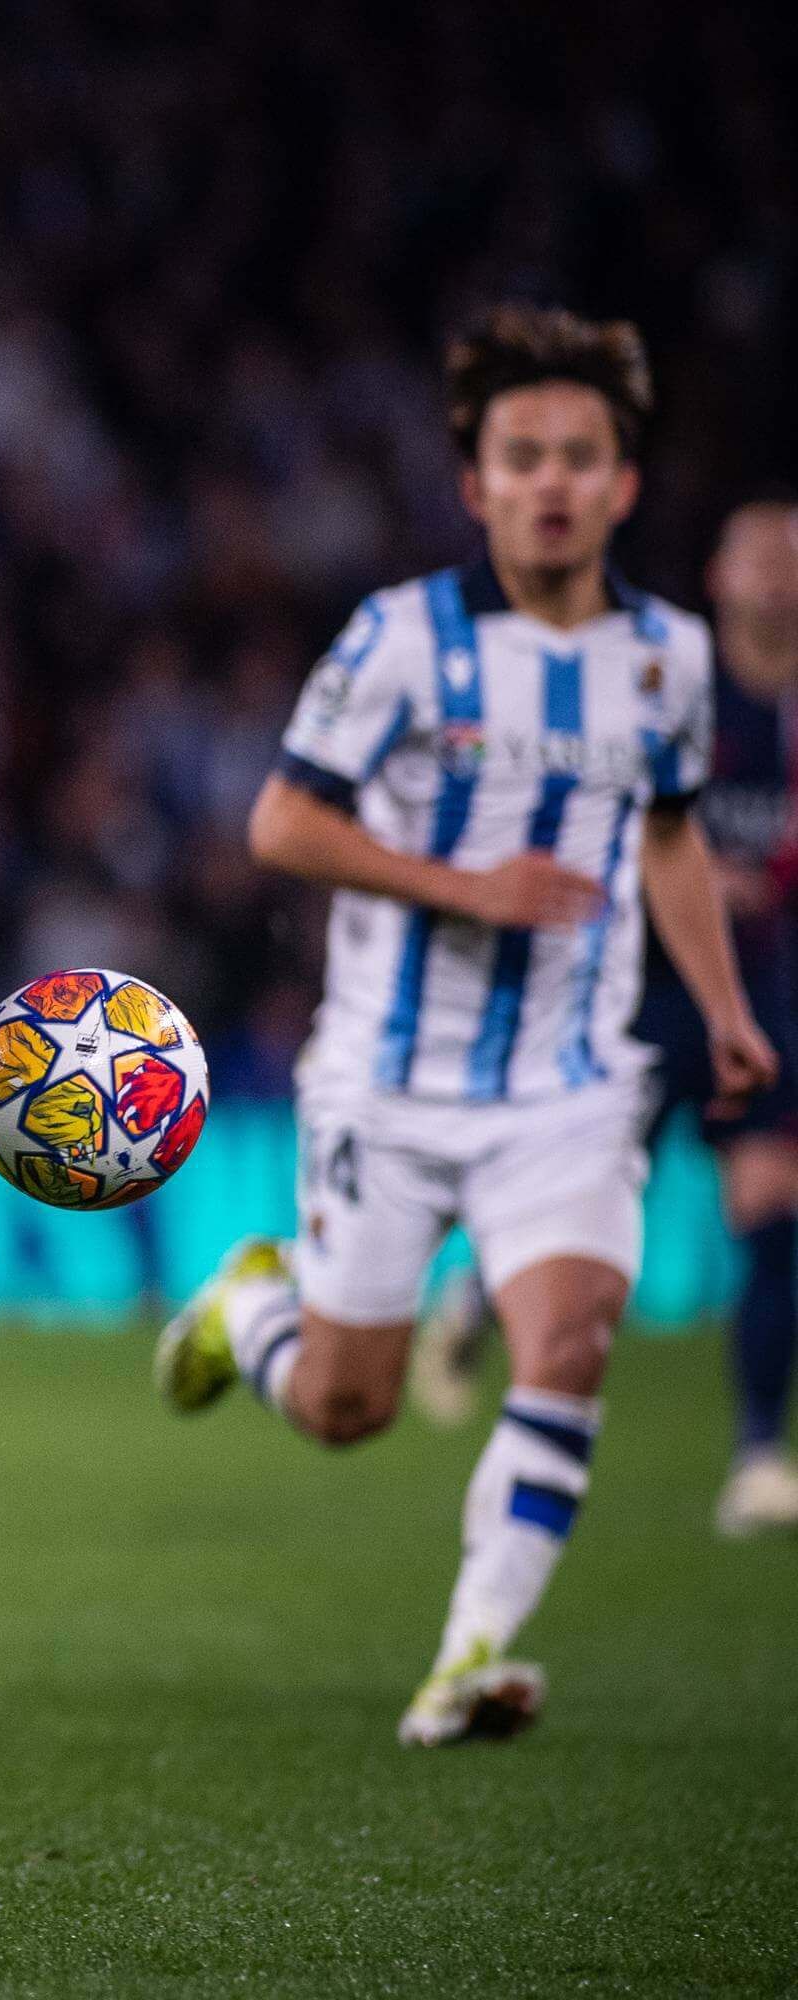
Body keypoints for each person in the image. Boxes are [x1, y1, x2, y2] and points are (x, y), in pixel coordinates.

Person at [150, 306, 778, 1746]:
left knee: (569, 1342)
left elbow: (672, 840)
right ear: (475, 484)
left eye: (580, 456)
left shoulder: (668, 659)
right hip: (386, 1079)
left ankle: (469, 1655)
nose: (551, 481)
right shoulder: (398, 641)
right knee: (344, 1407)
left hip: (569, 1082)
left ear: (622, 485)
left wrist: (729, 1010)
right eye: (522, 456)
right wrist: (464, 888)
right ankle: (253, 1301)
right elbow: (282, 822)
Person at [411, 498, 798, 1537]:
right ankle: (476, 1301)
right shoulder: (673, 689)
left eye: (792, 557)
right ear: (717, 577)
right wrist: (698, 873)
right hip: (634, 991)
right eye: (757, 552)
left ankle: (760, 1453)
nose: (777, 573)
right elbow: (590, 821)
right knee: (569, 1200)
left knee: (772, 1205)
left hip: (758, 992)